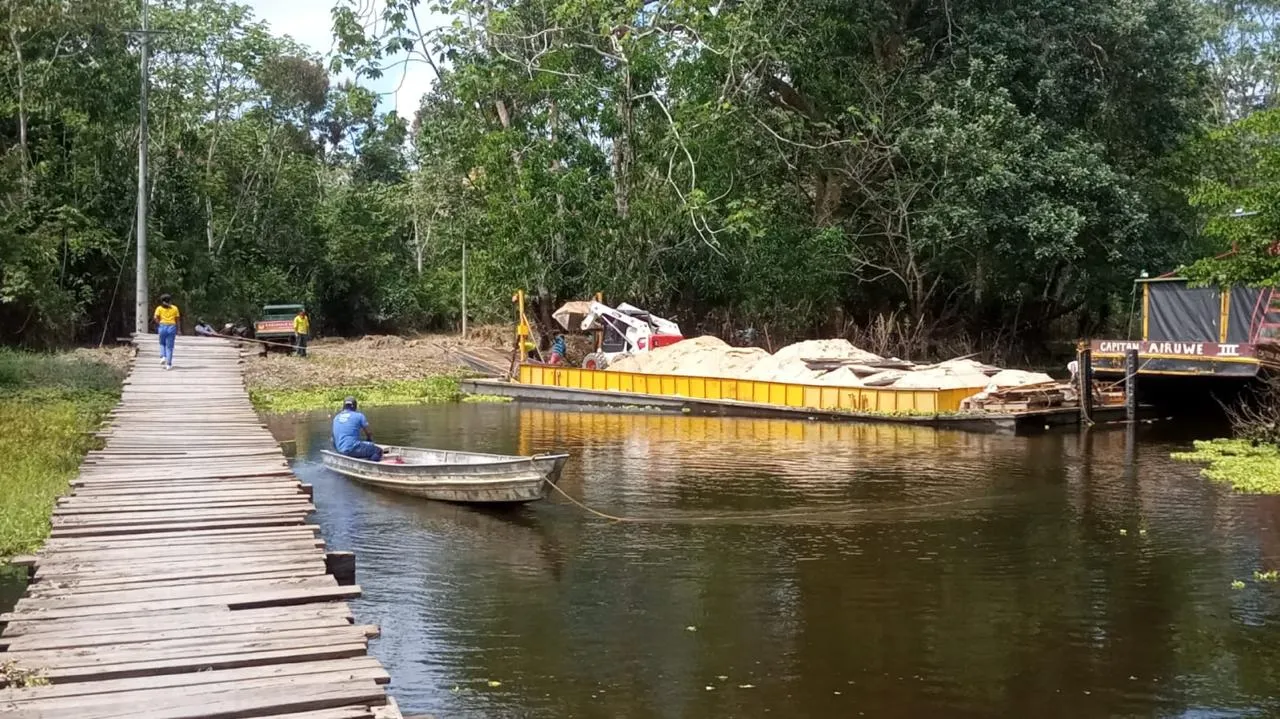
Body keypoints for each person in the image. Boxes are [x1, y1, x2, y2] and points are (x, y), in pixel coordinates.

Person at [331, 396, 382, 461]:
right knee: (378, 451)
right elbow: (369, 433)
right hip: (352, 448)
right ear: (355, 406)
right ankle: (369, 465)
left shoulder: (336, 418)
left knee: (358, 445)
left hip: (340, 450)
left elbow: (332, 439)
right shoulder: (359, 416)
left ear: (344, 406)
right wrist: (369, 440)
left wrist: (339, 450)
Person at [153, 294, 180, 370]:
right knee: (170, 347)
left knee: (162, 343)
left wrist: (159, 323)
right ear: (170, 300)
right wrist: (179, 329)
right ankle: (169, 364)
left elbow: (155, 317)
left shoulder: (159, 308)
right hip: (172, 327)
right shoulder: (175, 308)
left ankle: (163, 356)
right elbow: (177, 319)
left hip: (162, 326)